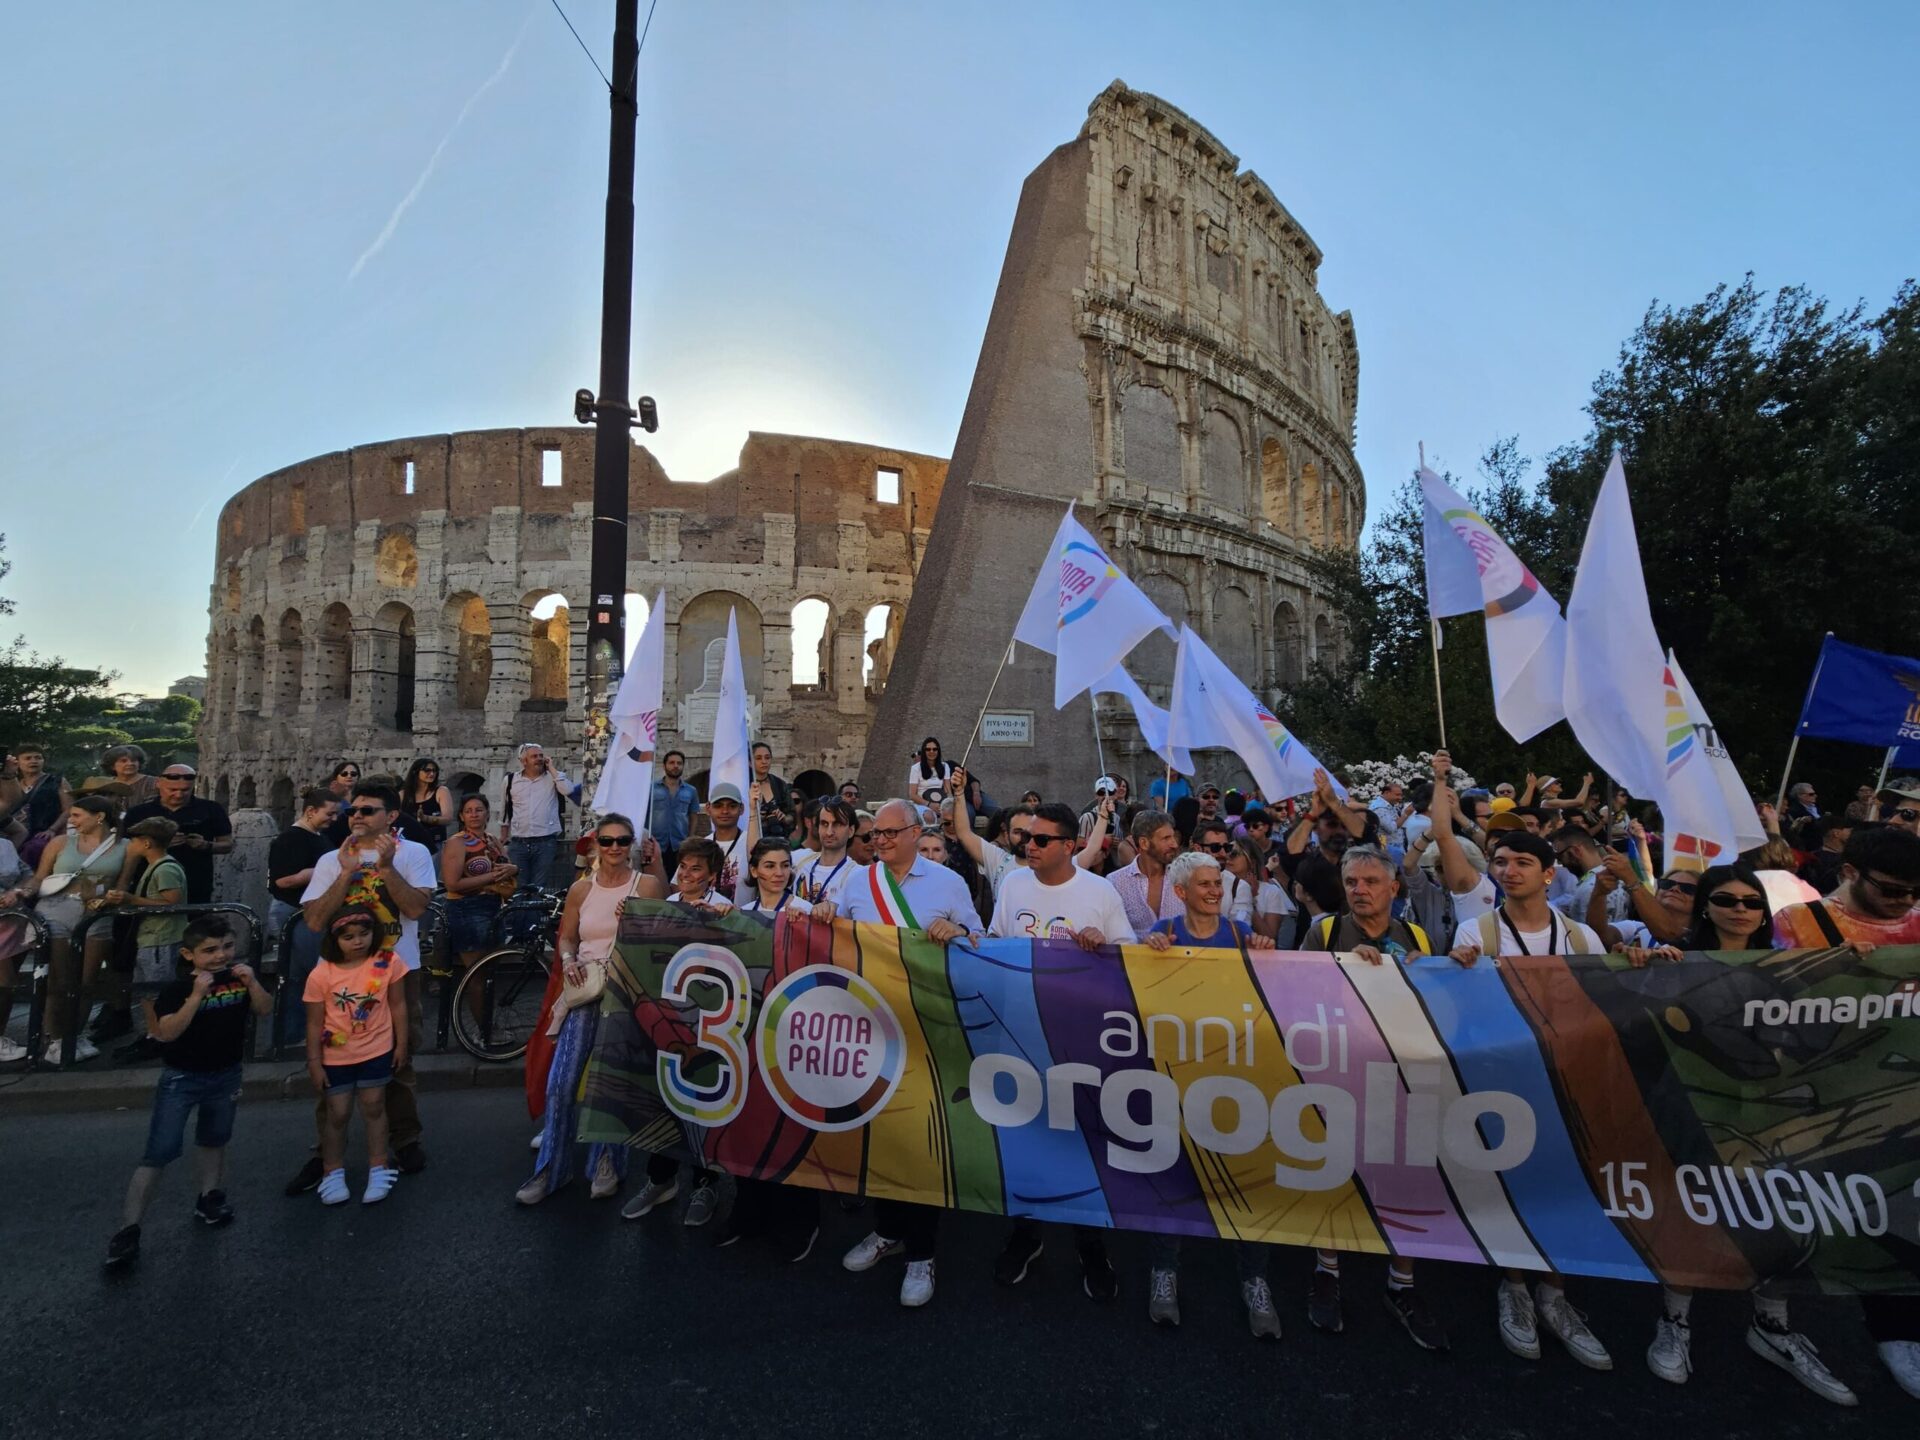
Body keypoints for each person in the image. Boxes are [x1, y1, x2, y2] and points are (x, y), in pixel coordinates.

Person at [1616, 864, 1857, 1404]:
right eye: (1726, 900)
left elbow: (1826, 1017)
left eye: (1752, 902)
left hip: (1770, 1111)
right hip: (1695, 1109)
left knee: (1776, 1217)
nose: (1741, 910)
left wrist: (1859, 970)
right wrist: (1642, 971)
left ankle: (1773, 1326)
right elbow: (1633, 1028)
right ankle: (1675, 1322)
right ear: (1706, 906)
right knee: (1694, 1213)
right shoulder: (1671, 962)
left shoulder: (1785, 965)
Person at [1449, 830, 1611, 1370]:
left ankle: (1555, 1294)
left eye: (1523, 862)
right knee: (1513, 1182)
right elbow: (1462, 1007)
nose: (1510, 870)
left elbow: (1607, 1009)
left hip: (1568, 1079)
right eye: (1500, 861)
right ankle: (1514, 1286)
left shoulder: (1585, 939)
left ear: (1548, 873)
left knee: (1564, 1182)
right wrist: (1458, 971)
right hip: (1506, 1078)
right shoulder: (1478, 930)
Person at [1771, 824, 1920, 1400]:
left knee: (1900, 1211)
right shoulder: (1799, 923)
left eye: (1913, 892)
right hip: (1823, 1090)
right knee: (1805, 1214)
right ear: (1849, 873)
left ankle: (1898, 1331)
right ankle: (1776, 1322)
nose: (1905, 903)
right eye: (1892, 891)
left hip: (1902, 1089)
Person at [831, 799, 985, 1306]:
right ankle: (886, 1230)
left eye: (890, 834)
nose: (880, 842)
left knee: (920, 1141)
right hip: (870, 1027)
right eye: (875, 835)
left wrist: (959, 933)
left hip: (927, 1027)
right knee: (877, 1133)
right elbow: (834, 938)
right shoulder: (857, 882)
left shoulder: (947, 883)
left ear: (916, 833)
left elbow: (982, 939)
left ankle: (922, 1254)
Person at [1296, 845, 1446, 1349]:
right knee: (1336, 1171)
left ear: (1393, 888)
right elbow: (1292, 991)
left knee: (1404, 1174)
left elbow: (1438, 1001)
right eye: (1352, 882)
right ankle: (1327, 1271)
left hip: (1402, 1071)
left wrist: (1439, 968)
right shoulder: (1325, 932)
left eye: (1370, 882)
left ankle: (1401, 1283)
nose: (1360, 890)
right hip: (1338, 1068)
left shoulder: (1417, 935)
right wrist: (1344, 971)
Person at [982, 803, 1131, 1302]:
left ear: (1069, 846)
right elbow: (995, 945)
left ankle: (1092, 1245)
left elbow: (1128, 961)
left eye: (1042, 840)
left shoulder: (1099, 892)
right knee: (1027, 1144)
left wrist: (1101, 946)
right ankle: (1027, 1236)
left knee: (1082, 1146)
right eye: (1026, 836)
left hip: (1080, 1044)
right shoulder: (1012, 886)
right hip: (1020, 1040)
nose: (1030, 845)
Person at [1135, 850, 1278, 1333]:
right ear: (1181, 893)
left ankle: (1255, 1280)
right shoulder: (1165, 934)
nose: (1216, 890)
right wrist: (1145, 947)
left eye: (1218, 882)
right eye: (1205, 884)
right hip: (1177, 1075)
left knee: (1245, 1180)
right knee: (1174, 1177)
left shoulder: (1239, 935)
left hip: (1235, 1077)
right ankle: (1164, 1273)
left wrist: (1264, 948)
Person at [287, 781, 436, 1192]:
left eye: (368, 810)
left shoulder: (414, 854)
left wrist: (385, 869)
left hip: (395, 970)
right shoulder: (330, 860)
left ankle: (404, 1139)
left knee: (399, 1062)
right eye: (354, 810)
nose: (356, 816)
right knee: (332, 1068)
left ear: (391, 817)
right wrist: (347, 873)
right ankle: (325, 1154)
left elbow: (415, 908)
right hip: (336, 977)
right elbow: (315, 922)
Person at [102, 915, 269, 1267]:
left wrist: (253, 984)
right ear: (189, 954)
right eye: (209, 950)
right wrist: (196, 995)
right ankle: (129, 1228)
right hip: (182, 1077)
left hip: (225, 1074)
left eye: (226, 947)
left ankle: (209, 1196)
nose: (220, 956)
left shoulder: (237, 979)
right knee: (159, 1151)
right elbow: (167, 1032)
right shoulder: (177, 989)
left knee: (215, 1138)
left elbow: (265, 1009)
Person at [519, 814, 662, 1206]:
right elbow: (566, 938)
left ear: (632, 844)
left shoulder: (646, 885)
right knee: (562, 1082)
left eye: (622, 840)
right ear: (596, 844)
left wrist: (635, 924)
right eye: (607, 841)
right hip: (584, 989)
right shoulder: (581, 890)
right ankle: (552, 1167)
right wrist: (568, 961)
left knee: (610, 1083)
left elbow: (663, 940)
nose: (615, 848)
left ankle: (607, 1163)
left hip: (625, 993)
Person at [3, 794, 128, 1064]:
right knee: (58, 979)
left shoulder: (124, 846)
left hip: (97, 913)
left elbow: (124, 884)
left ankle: (76, 1033)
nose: (70, 821)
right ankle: (53, 1037)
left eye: (76, 816)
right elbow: (39, 878)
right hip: (56, 908)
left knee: (87, 981)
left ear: (99, 817)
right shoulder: (61, 842)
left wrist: (113, 897)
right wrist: (22, 892)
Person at [303, 906, 407, 1206]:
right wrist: (313, 1061)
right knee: (338, 1112)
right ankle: (332, 1170)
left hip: (376, 1048)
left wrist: (401, 1044)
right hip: (335, 1054)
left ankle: (379, 1165)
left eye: (364, 934)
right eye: (348, 937)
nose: (358, 941)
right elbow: (314, 1021)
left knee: (374, 1106)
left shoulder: (388, 962)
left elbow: (398, 1005)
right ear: (334, 939)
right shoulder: (321, 974)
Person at [100, 817, 188, 1063]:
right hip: (150, 937)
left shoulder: (166, 868)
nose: (130, 845)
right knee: (146, 991)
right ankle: (153, 1033)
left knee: (157, 991)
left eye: (134, 841)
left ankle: (162, 1036)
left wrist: (131, 900)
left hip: (161, 937)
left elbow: (172, 902)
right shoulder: (155, 865)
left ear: (146, 843)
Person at [440, 794, 517, 1011]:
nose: (474, 814)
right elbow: (452, 883)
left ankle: (486, 1029)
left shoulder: (492, 840)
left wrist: (513, 869)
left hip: (493, 906)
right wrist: (493, 877)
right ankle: (481, 1033)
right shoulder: (457, 842)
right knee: (477, 974)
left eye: (479, 810)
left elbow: (506, 867)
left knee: (490, 973)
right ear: (461, 816)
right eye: (469, 811)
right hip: (467, 909)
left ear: (486, 813)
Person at [122, 765, 232, 907]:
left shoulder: (210, 809)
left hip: (195, 883)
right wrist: (159, 844)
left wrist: (205, 845)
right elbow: (128, 848)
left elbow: (227, 844)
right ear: (159, 784)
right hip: (148, 881)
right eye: (172, 790)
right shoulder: (139, 813)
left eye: (185, 790)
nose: (179, 795)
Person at [500, 743, 575, 891]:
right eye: (534, 756)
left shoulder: (553, 778)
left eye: (541, 756)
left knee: (539, 888)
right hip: (519, 842)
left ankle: (535, 914)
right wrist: (503, 838)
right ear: (524, 761)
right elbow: (505, 810)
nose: (539, 759)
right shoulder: (510, 781)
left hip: (545, 842)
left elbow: (568, 790)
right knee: (519, 887)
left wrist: (552, 768)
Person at [1106, 809, 1184, 939]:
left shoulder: (1185, 877)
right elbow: (1111, 932)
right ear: (1144, 843)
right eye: (1166, 838)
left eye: (1173, 837)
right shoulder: (1116, 882)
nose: (1174, 844)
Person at [790, 799, 859, 911]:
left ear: (851, 831)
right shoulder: (801, 859)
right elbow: (757, 857)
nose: (829, 832)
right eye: (824, 824)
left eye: (837, 824)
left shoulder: (856, 874)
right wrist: (753, 811)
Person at [649, 750, 699, 878]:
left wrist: (690, 838)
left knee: (677, 878)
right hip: (655, 844)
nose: (675, 766)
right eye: (671, 763)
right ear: (664, 765)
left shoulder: (691, 791)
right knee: (655, 878)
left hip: (679, 845)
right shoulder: (651, 789)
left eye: (679, 763)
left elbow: (693, 815)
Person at [79, 744, 159, 813]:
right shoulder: (104, 784)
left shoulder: (153, 782)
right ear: (112, 766)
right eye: (124, 761)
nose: (130, 763)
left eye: (134, 760)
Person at [399, 759, 454, 854]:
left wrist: (426, 818)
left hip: (433, 843)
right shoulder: (403, 795)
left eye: (434, 770)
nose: (432, 773)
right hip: (408, 843)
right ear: (415, 772)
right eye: (427, 770)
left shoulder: (441, 791)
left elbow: (448, 818)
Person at [1797, 813, 1854, 895]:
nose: (1852, 834)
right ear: (1836, 833)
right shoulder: (1838, 862)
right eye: (1849, 830)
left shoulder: (1811, 856)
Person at [749, 742, 794, 839]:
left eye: (767, 757)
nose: (764, 761)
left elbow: (792, 814)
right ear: (750, 762)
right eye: (758, 758)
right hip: (753, 839)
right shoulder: (745, 786)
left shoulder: (780, 784)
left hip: (779, 838)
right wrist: (756, 817)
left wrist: (784, 818)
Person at [907, 737, 954, 806]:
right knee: (928, 816)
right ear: (924, 751)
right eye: (928, 749)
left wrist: (950, 804)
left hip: (940, 803)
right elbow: (912, 795)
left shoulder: (945, 766)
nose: (931, 751)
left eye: (934, 749)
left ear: (938, 751)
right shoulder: (915, 768)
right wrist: (929, 804)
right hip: (922, 804)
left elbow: (948, 791)